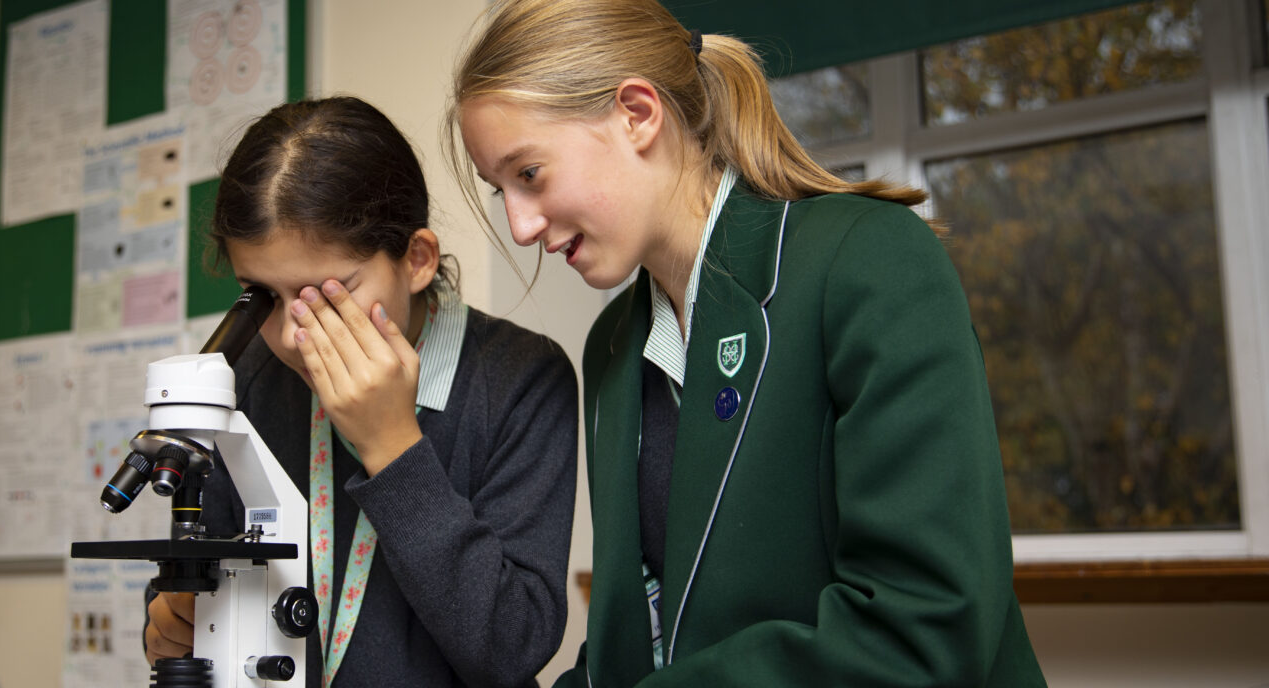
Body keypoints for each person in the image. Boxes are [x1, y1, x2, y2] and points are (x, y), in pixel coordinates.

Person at [448, 1, 1047, 685]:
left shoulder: (868, 260)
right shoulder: (613, 346)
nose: (521, 226)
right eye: (502, 193)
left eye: (528, 174)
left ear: (638, 114)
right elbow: (645, 635)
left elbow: (924, 628)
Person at [144, 96, 578, 688]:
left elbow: (512, 647)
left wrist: (393, 446)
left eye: (326, 292)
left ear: (417, 259)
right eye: (263, 295)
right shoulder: (246, 376)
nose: (297, 335)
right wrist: (171, 618)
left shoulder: (522, 378)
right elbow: (200, 577)